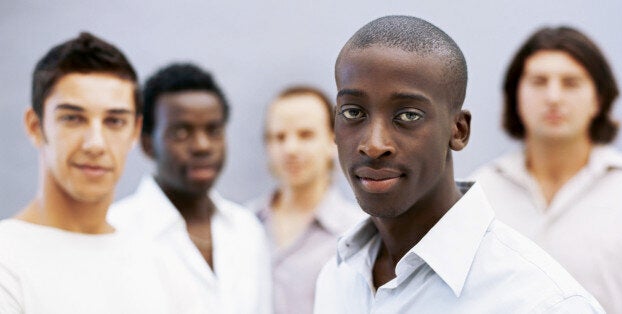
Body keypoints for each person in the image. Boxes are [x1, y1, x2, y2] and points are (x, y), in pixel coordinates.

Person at [313, 16, 604, 313]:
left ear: (458, 130)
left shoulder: (541, 302)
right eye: (353, 112)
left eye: (408, 115)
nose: (374, 145)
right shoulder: (338, 278)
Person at [0, 32, 206, 313]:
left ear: (134, 130)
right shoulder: (7, 259)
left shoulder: (161, 264)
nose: (95, 143)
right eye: (73, 118)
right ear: (36, 126)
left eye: (114, 121)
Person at [470, 26, 622, 314]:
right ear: (515, 95)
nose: (553, 97)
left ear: (599, 99)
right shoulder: (476, 195)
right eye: (539, 82)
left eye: (571, 83)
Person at [108, 63, 271, 314]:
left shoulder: (246, 228)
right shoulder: (115, 232)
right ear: (148, 144)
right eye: (182, 132)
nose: (202, 146)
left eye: (213, 130)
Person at [247, 86, 363, 314]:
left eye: (305, 135)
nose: (290, 148)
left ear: (334, 140)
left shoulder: (358, 234)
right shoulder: (242, 225)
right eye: (279, 137)